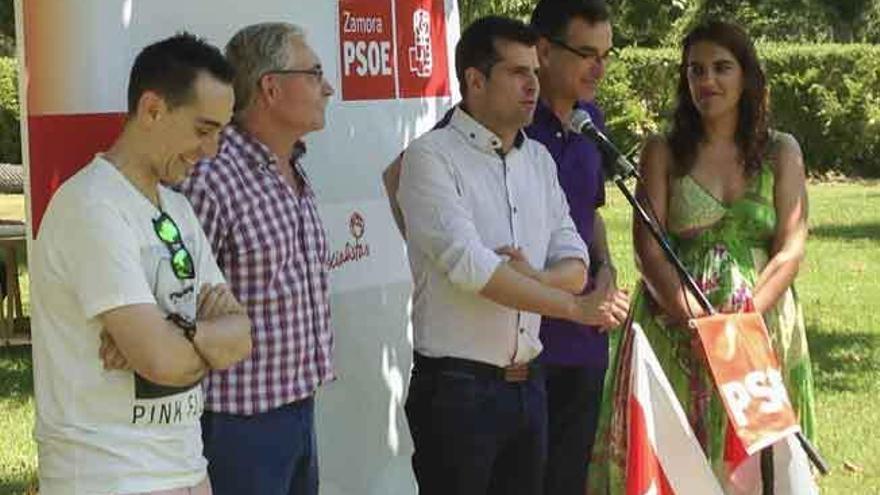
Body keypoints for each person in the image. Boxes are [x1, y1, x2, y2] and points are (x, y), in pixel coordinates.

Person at [397, 16, 629, 495]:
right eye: (518, 73)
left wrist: (531, 276)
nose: (532, 85)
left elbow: (575, 259)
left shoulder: (538, 160)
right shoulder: (430, 158)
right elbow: (471, 267)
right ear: (475, 81)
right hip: (458, 391)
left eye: (535, 72)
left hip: (530, 384)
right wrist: (573, 307)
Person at [588, 20, 816, 492]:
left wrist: (743, 324)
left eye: (721, 68)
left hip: (758, 329)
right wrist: (696, 321)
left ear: (747, 76)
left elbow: (791, 246)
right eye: (695, 70)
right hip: (676, 328)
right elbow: (647, 248)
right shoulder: (663, 151)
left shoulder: (780, 151)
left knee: (759, 466)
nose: (706, 81)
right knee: (679, 459)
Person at [30, 33, 252, 494]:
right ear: (152, 109)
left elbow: (241, 337)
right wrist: (195, 340)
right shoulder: (92, 207)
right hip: (108, 478)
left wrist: (178, 332)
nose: (211, 152)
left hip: (187, 470)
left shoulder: (178, 210)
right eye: (202, 130)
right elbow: (160, 360)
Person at [178, 22, 336, 495]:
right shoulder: (211, 177)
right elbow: (172, 303)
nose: (327, 87)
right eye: (314, 73)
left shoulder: (294, 169)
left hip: (298, 412)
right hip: (234, 426)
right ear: (271, 86)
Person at [526, 1, 617, 492]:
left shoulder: (591, 120)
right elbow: (404, 177)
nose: (599, 68)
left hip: (585, 340)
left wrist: (607, 270)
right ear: (543, 49)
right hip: (524, 347)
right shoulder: (506, 114)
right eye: (586, 53)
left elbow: (591, 214)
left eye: (605, 54)